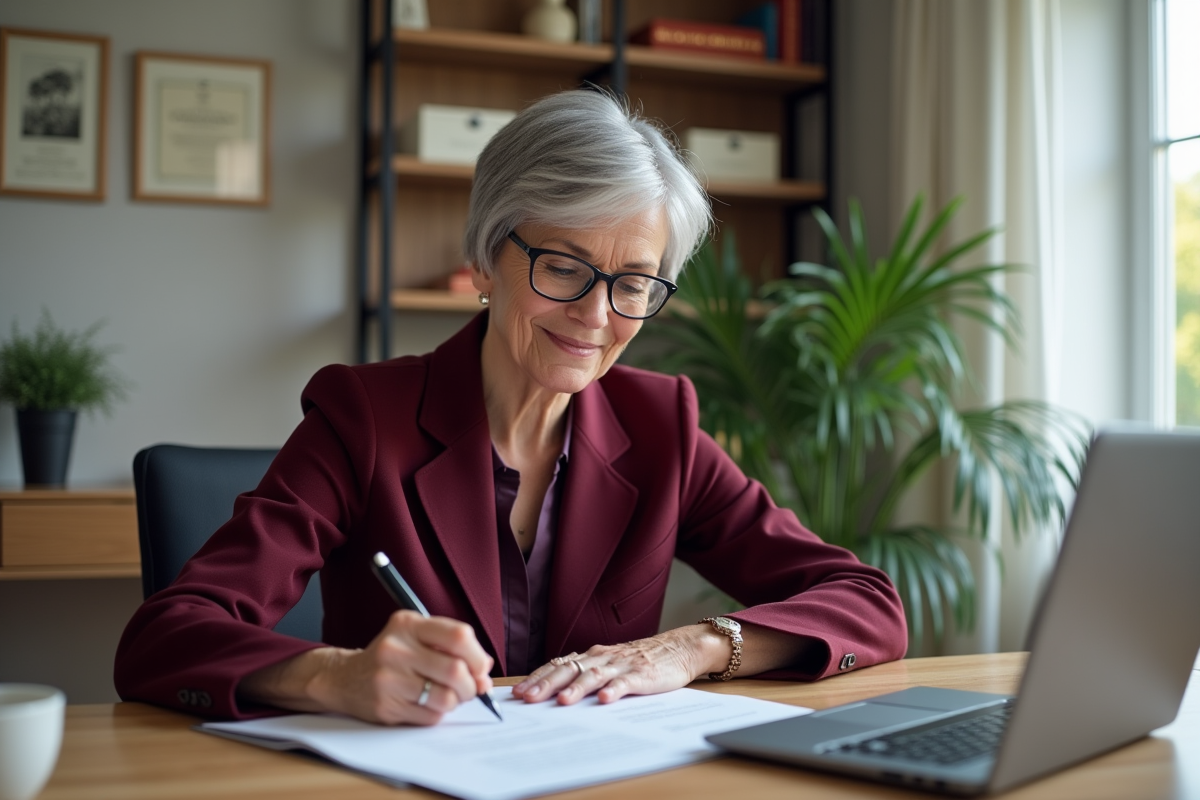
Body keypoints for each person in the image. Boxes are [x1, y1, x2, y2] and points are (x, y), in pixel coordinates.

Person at [114, 89, 907, 725]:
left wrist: (699, 646)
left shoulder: (662, 427)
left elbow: (868, 603)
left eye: (633, 282)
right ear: (484, 259)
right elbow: (163, 639)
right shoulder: (364, 418)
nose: (597, 316)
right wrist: (338, 677)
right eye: (563, 266)